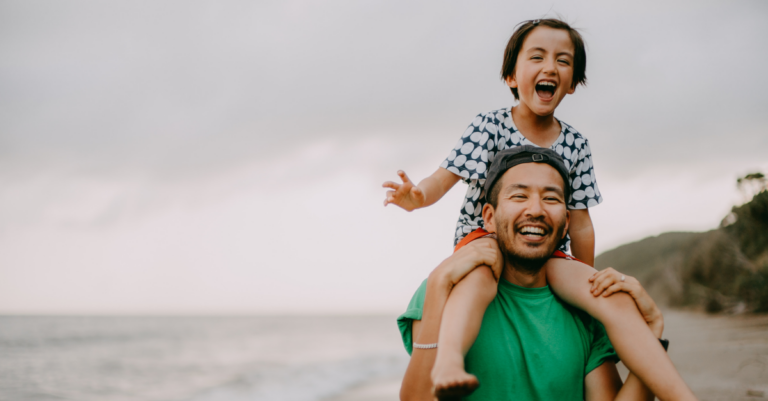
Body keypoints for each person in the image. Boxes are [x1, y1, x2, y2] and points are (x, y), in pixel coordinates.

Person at [381, 18, 673, 399]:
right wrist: (417, 197)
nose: (550, 67)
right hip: (482, 239)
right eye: (537, 57)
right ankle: (449, 358)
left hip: (550, 248)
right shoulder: (488, 125)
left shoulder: (577, 145)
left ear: (572, 82)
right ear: (512, 78)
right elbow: (443, 177)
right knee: (479, 276)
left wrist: (590, 283)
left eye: (563, 61)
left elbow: (581, 224)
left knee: (611, 300)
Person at [397, 148, 696, 400]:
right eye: (519, 196)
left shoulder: (585, 312)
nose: (536, 210)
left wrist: (652, 332)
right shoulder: (447, 292)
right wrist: (437, 287)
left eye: (551, 199)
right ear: (488, 217)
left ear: (565, 222)